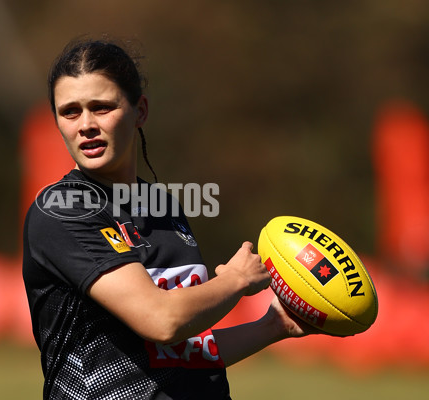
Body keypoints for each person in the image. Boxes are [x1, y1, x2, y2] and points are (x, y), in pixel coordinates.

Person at [22, 37, 317, 399]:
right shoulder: (62, 211)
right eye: (70, 111)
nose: (85, 124)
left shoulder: (162, 207)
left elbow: (182, 351)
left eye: (101, 107)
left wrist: (275, 326)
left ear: (140, 111)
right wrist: (236, 280)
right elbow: (162, 321)